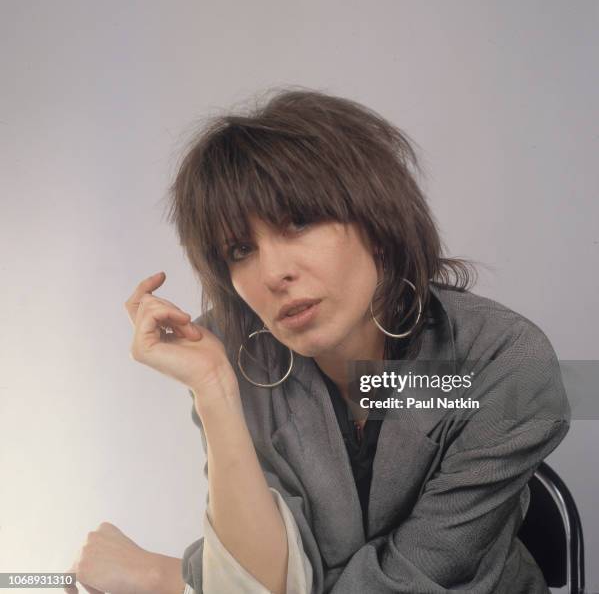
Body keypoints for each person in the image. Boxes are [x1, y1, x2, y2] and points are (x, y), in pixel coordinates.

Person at [66, 88, 570, 594]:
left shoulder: (507, 360)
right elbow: (262, 579)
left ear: (377, 219)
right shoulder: (228, 351)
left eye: (299, 223)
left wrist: (171, 578)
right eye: (240, 250)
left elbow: (411, 580)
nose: (273, 272)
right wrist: (213, 388)